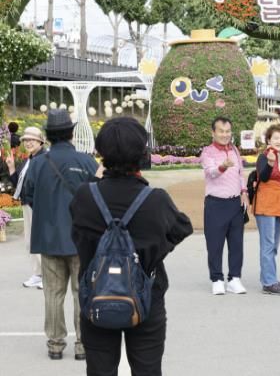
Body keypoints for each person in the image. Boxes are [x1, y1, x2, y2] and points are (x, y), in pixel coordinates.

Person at [71, 117, 193, 375]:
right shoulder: (155, 199)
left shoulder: (85, 196)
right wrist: (153, 252)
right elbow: (182, 228)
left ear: (101, 153)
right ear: (142, 153)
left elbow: (77, 234)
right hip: (146, 295)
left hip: (96, 293)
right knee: (147, 370)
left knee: (100, 370)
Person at [22, 109, 99, 360]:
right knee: (81, 293)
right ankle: (83, 344)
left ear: (48, 136)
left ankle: (55, 345)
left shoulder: (37, 163)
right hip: (81, 239)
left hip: (48, 238)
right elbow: (99, 196)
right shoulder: (86, 161)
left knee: (53, 294)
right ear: (70, 133)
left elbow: (28, 195)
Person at [200, 116, 248, 295]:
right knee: (215, 244)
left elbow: (241, 173)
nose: (225, 134)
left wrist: (244, 192)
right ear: (213, 132)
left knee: (236, 243)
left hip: (235, 203)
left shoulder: (234, 150)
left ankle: (234, 278)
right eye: (221, 131)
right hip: (215, 204)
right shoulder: (208, 152)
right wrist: (223, 166)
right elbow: (211, 173)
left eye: (228, 131)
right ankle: (217, 279)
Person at [6, 126, 47, 288]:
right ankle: (38, 274)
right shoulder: (29, 160)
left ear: (40, 142)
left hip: (38, 206)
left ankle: (46, 275)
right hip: (27, 205)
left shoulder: (44, 159)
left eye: (32, 140)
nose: (28, 143)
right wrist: (11, 167)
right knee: (30, 241)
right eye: (26, 140)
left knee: (39, 240)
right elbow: (20, 185)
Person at [254, 124, 280, 295]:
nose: (279, 141)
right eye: (275, 137)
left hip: (279, 206)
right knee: (268, 245)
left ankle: (270, 279)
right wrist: (270, 163)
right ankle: (269, 282)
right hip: (266, 206)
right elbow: (263, 177)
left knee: (273, 245)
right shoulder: (264, 157)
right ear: (268, 140)